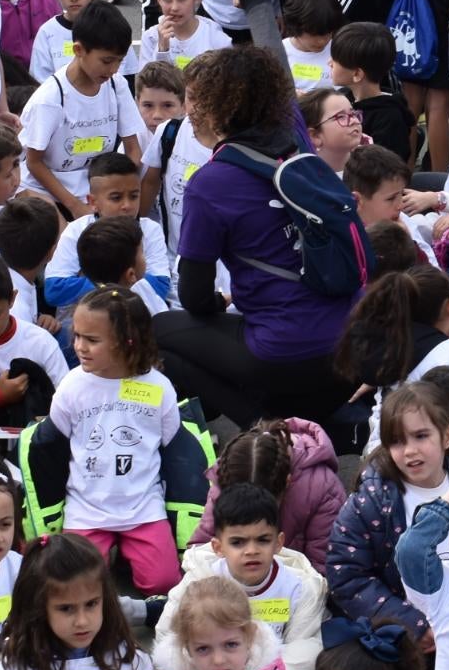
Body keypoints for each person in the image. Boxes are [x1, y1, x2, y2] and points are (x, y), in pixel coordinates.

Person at [152, 46, 357, 432]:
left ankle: (268, 428)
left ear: (219, 108)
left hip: (285, 348)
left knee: (158, 332)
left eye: (195, 99)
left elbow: (194, 296)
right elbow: (273, 60)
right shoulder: (298, 142)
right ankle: (323, 422)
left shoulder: (211, 183)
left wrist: (221, 303)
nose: (187, 110)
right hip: (352, 342)